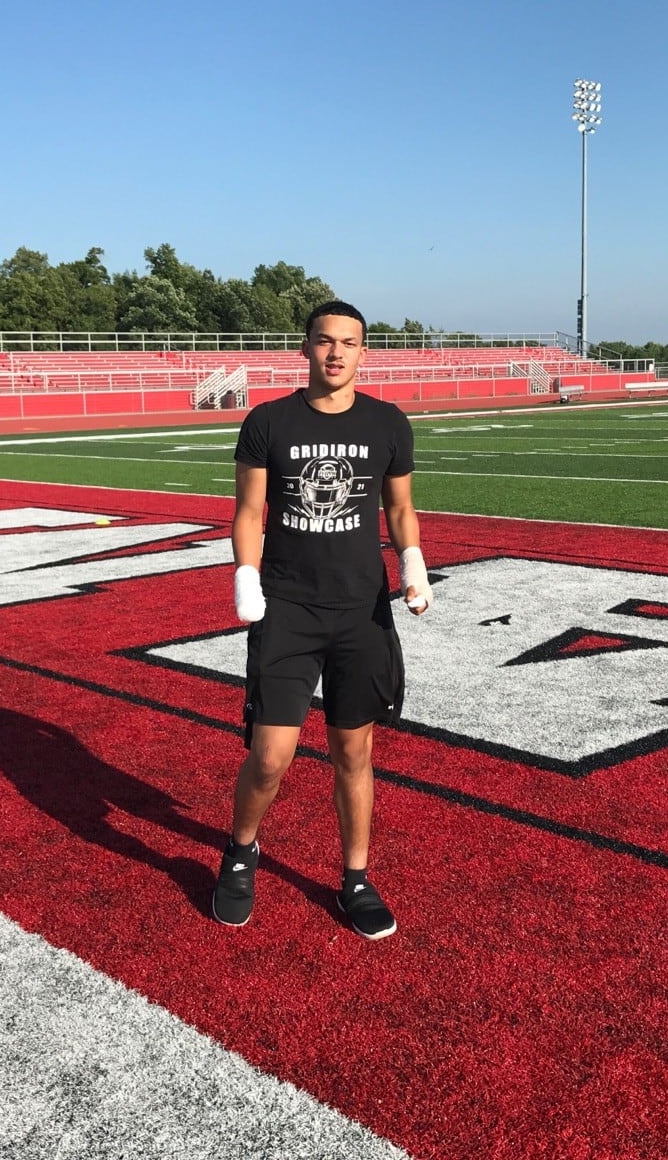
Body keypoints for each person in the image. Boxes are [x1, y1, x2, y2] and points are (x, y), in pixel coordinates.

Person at [212, 300, 431, 941]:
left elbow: (400, 508)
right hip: (288, 608)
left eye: (350, 343)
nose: (336, 353)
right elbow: (249, 511)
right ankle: (241, 849)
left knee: (353, 750)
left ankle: (356, 878)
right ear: (304, 348)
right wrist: (246, 576)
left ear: (365, 352)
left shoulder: (388, 423)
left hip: (361, 610)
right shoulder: (268, 421)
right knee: (271, 755)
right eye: (325, 341)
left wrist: (413, 563)